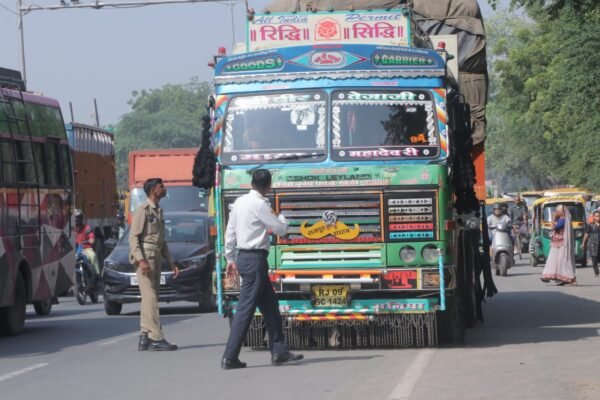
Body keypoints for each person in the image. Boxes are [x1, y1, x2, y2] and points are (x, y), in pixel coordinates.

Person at [221, 169, 303, 370]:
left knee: (270, 306)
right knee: (245, 309)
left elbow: (230, 231)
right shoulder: (260, 204)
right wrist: (284, 219)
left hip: (243, 257)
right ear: (268, 186)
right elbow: (279, 229)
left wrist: (230, 257)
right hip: (255, 259)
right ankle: (229, 357)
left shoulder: (240, 202)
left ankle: (280, 351)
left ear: (252, 183)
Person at [129, 178, 179, 351]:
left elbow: (162, 240)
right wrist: (141, 260)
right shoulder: (143, 210)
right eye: (161, 187)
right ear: (152, 191)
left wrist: (171, 262)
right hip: (146, 257)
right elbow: (133, 237)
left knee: (150, 299)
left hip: (156, 255)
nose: (164, 189)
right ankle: (156, 338)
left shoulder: (158, 210)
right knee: (150, 298)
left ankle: (144, 337)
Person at [541, 205, 576, 286]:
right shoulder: (560, 219)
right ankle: (552, 276)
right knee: (554, 260)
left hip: (561, 244)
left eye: (557, 211)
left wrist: (553, 218)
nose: (555, 212)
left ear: (562, 212)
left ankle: (565, 278)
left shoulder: (563, 220)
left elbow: (553, 227)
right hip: (556, 243)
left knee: (561, 261)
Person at [74, 209, 100, 278]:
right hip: (74, 250)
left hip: (86, 249)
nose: (77, 220)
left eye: (78, 218)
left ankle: (97, 276)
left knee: (93, 256)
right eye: (75, 218)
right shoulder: (71, 229)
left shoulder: (87, 228)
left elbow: (92, 238)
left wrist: (90, 240)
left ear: (81, 218)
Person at [583, 210, 600, 277]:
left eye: (599, 216)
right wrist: (583, 243)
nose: (598, 217)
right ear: (593, 217)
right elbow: (586, 234)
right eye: (597, 216)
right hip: (593, 244)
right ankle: (597, 272)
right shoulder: (590, 225)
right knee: (594, 259)